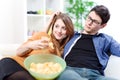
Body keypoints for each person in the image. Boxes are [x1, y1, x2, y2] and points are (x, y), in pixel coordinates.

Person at [0, 12, 74, 80]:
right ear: (52, 27)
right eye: (56, 26)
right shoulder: (42, 36)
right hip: (14, 65)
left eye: (63, 28)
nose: (59, 31)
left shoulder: (65, 49)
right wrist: (31, 45)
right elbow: (18, 52)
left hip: (32, 74)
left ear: (69, 30)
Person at [56, 5, 119, 80]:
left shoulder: (106, 40)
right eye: (89, 18)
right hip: (71, 71)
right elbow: (50, 36)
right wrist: (53, 19)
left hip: (95, 75)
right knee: (67, 75)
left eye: (95, 21)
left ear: (103, 25)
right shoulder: (71, 34)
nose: (89, 23)